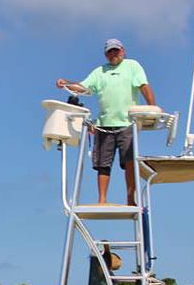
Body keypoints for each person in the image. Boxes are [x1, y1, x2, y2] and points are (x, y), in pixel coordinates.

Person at [56, 38, 156, 205]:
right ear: (105, 54)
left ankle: (131, 199)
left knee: (130, 161)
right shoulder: (99, 71)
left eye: (116, 50)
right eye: (110, 51)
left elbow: (144, 86)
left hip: (128, 124)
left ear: (122, 51)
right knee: (103, 164)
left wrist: (153, 108)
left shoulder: (132, 66)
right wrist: (66, 83)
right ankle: (102, 200)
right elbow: (83, 87)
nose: (113, 54)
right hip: (104, 125)